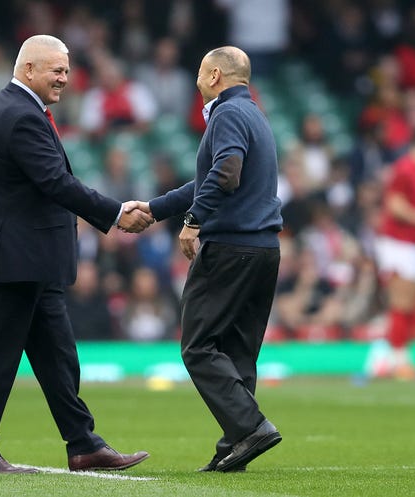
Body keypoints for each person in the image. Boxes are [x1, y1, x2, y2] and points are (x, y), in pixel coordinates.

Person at [0, 34, 152, 475]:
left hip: (30, 259)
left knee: (58, 355)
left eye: (66, 69)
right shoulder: (18, 115)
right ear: (28, 69)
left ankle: (83, 445)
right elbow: (56, 183)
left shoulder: (19, 109)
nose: (65, 77)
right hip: (16, 259)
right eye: (56, 70)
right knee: (1, 354)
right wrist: (116, 212)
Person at [138, 46, 283, 472]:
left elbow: (225, 174)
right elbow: (207, 179)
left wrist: (193, 221)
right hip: (263, 249)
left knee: (198, 345)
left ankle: (252, 426)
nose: (197, 80)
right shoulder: (252, 113)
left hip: (231, 247)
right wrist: (154, 209)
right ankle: (234, 445)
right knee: (238, 351)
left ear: (215, 74)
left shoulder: (227, 114)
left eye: (201, 72)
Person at [374, 125, 415, 380]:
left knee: (412, 303)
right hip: (397, 242)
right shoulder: (406, 168)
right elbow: (395, 206)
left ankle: (399, 357)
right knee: (401, 301)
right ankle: (395, 359)